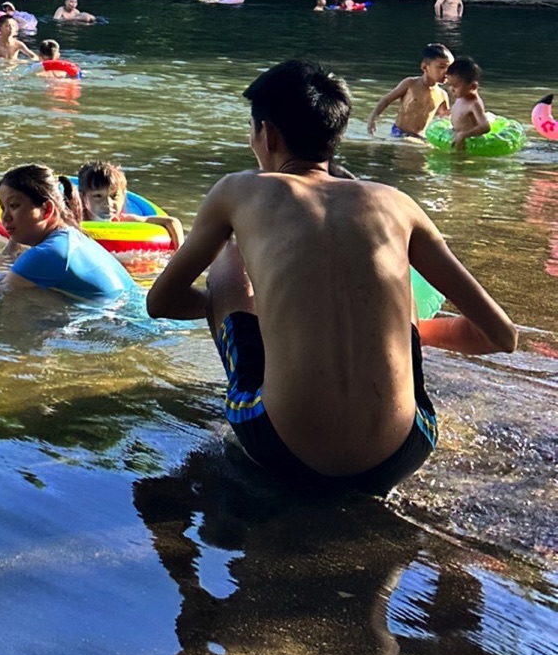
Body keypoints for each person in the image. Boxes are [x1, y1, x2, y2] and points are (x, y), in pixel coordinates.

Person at [146, 59, 516, 495]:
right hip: (405, 450)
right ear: (335, 135)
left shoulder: (238, 190)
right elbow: (501, 335)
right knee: (393, 282)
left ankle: (261, 403)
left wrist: (260, 307)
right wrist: (400, 329)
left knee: (227, 261)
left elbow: (161, 303)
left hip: (282, 450)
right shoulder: (396, 203)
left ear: (267, 134)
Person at [0, 165, 132, 303]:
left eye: (14, 206)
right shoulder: (73, 237)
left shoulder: (45, 254)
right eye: (2, 208)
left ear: (47, 209)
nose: (5, 217)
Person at [77, 157, 183, 248]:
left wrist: (179, 254)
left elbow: (172, 222)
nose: (108, 203)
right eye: (98, 196)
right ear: (82, 198)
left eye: (114, 196)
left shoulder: (124, 220)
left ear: (123, 196)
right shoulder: (74, 219)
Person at [366, 45, 452, 139]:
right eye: (441, 67)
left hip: (421, 136)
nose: (446, 72)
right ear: (424, 67)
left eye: (450, 69)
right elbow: (386, 100)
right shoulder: (410, 84)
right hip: (400, 133)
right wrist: (372, 120)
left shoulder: (442, 95)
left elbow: (446, 119)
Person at [443, 55, 493, 149]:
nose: (451, 89)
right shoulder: (461, 97)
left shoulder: (474, 104)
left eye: (455, 86)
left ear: (472, 86)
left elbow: (485, 127)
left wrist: (464, 135)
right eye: (450, 85)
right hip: (457, 137)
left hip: (468, 144)